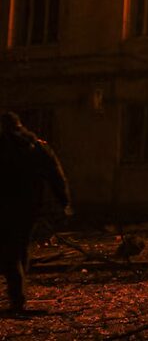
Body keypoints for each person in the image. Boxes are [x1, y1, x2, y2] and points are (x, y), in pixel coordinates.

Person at [0, 112, 71, 313]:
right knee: (19, 248)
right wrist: (64, 202)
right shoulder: (36, 146)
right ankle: (18, 298)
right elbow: (56, 175)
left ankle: (17, 298)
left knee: (10, 252)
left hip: (4, 206)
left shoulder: (4, 146)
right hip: (28, 207)